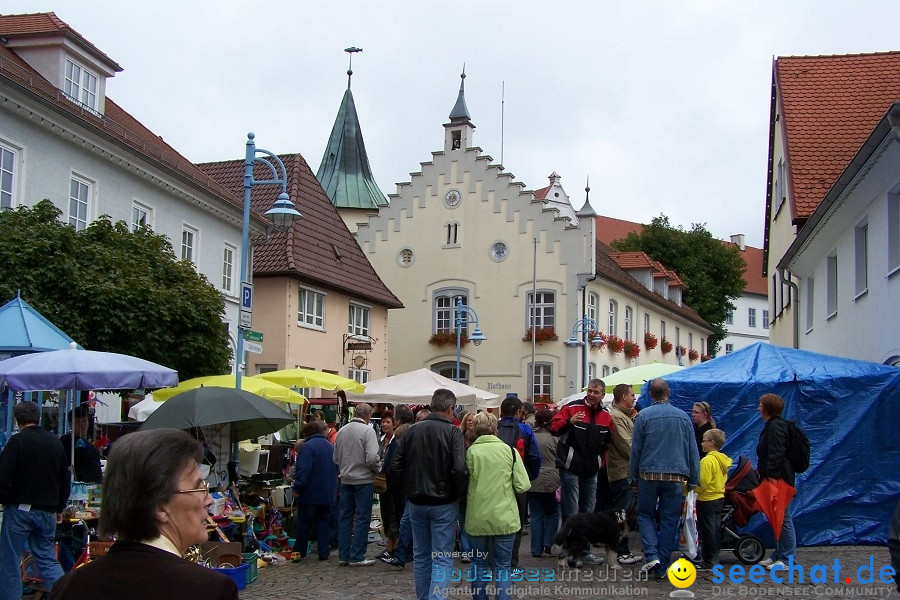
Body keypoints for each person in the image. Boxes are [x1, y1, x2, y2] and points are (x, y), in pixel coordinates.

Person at [49, 428, 238, 600]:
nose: (209, 499)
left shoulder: (68, 587)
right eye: (198, 487)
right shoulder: (210, 590)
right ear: (160, 506)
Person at [389, 389, 467, 600]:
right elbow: (460, 468)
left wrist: (408, 488)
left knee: (422, 555)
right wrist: (459, 493)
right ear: (450, 408)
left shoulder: (412, 431)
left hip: (416, 500)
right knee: (442, 557)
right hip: (444, 501)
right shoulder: (453, 432)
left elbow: (395, 466)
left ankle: (424, 597)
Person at [630, 378, 700, 579]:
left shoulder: (643, 416)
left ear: (650, 394)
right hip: (675, 476)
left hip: (648, 474)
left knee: (645, 515)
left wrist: (632, 476)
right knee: (670, 520)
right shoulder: (683, 418)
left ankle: (652, 554)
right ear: (668, 392)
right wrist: (694, 479)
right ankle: (662, 565)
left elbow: (636, 450)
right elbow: (692, 451)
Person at [0, 402, 69, 600]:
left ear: (17, 419)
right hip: (47, 511)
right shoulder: (55, 442)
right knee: (47, 558)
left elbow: (4, 476)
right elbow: (64, 478)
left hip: (20, 510)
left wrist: (5, 499)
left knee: (10, 561)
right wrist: (59, 507)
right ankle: (63, 594)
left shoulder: (17, 442)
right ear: (39, 418)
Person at [465, 412, 531, 600]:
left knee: (478, 563)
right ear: (496, 430)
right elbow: (523, 485)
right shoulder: (510, 452)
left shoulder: (470, 453)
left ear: (474, 430)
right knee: (503, 566)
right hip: (505, 516)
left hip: (477, 517)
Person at [548, 378, 614, 558]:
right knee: (571, 510)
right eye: (590, 391)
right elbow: (553, 427)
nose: (592, 395)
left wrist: (601, 461)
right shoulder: (572, 407)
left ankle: (584, 550)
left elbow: (607, 442)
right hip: (570, 466)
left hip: (591, 469)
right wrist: (569, 421)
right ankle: (569, 550)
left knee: (588, 511)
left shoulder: (606, 416)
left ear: (602, 395)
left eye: (596, 392)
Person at [333, 402, 381, 566]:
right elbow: (373, 457)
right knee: (362, 518)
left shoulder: (341, 431)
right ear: (368, 416)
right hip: (363, 480)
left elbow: (335, 459)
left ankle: (343, 555)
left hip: (346, 479)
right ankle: (357, 556)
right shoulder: (368, 431)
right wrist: (377, 469)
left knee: (345, 518)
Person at [496, 395, 541, 569]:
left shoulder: (494, 428)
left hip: (493, 480)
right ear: (518, 412)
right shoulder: (526, 430)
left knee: (494, 517)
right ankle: (512, 560)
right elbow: (535, 457)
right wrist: (529, 478)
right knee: (516, 521)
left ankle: (493, 556)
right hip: (517, 481)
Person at [756, 393, 797, 571]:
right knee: (776, 518)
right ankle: (778, 554)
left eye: (760, 404)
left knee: (783, 518)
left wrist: (772, 474)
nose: (758, 407)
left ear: (767, 408)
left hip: (778, 479)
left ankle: (788, 558)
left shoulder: (775, 427)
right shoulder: (772, 426)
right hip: (774, 477)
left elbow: (776, 452)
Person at [606, 383, 642, 565]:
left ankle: (623, 549)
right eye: (631, 395)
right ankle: (620, 550)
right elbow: (626, 445)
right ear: (623, 397)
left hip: (625, 470)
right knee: (621, 513)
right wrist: (641, 459)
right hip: (621, 471)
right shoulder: (616, 417)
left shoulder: (624, 416)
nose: (634, 398)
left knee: (624, 512)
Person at [292, 420, 337, 561]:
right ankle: (324, 552)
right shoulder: (331, 447)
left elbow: (303, 469)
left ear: (307, 433)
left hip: (310, 493)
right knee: (323, 523)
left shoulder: (308, 447)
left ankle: (300, 551)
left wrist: (297, 488)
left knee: (304, 523)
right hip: (328, 493)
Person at [380, 405, 414, 568]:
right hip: (406, 485)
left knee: (404, 519)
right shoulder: (388, 439)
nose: (386, 424)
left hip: (401, 486)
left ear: (397, 421)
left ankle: (402, 552)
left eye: (390, 420)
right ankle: (400, 550)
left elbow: (394, 465)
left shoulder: (400, 437)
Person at [696, 428, 731, 569]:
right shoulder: (722, 459)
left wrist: (687, 488)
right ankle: (714, 558)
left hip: (706, 499)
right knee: (715, 529)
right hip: (718, 497)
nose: (701, 444)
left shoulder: (707, 461)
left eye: (704, 441)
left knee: (707, 531)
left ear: (711, 442)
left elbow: (702, 483)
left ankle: (709, 560)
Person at [527, 408, 559, 558]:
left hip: (533, 479)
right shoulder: (554, 438)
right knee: (553, 513)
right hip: (552, 478)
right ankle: (548, 543)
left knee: (536, 515)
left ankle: (535, 549)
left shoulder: (531, 436)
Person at [60, 402, 103, 484]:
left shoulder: (87, 442)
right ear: (70, 424)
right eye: (77, 422)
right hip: (79, 486)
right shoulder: (67, 441)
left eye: (84, 421)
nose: (82, 425)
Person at [375, 412, 399, 558]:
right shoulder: (381, 440)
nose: (384, 424)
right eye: (383, 422)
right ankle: (390, 543)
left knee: (393, 513)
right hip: (382, 482)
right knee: (385, 513)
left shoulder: (396, 441)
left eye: (388, 422)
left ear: (394, 424)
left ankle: (392, 545)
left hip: (393, 483)